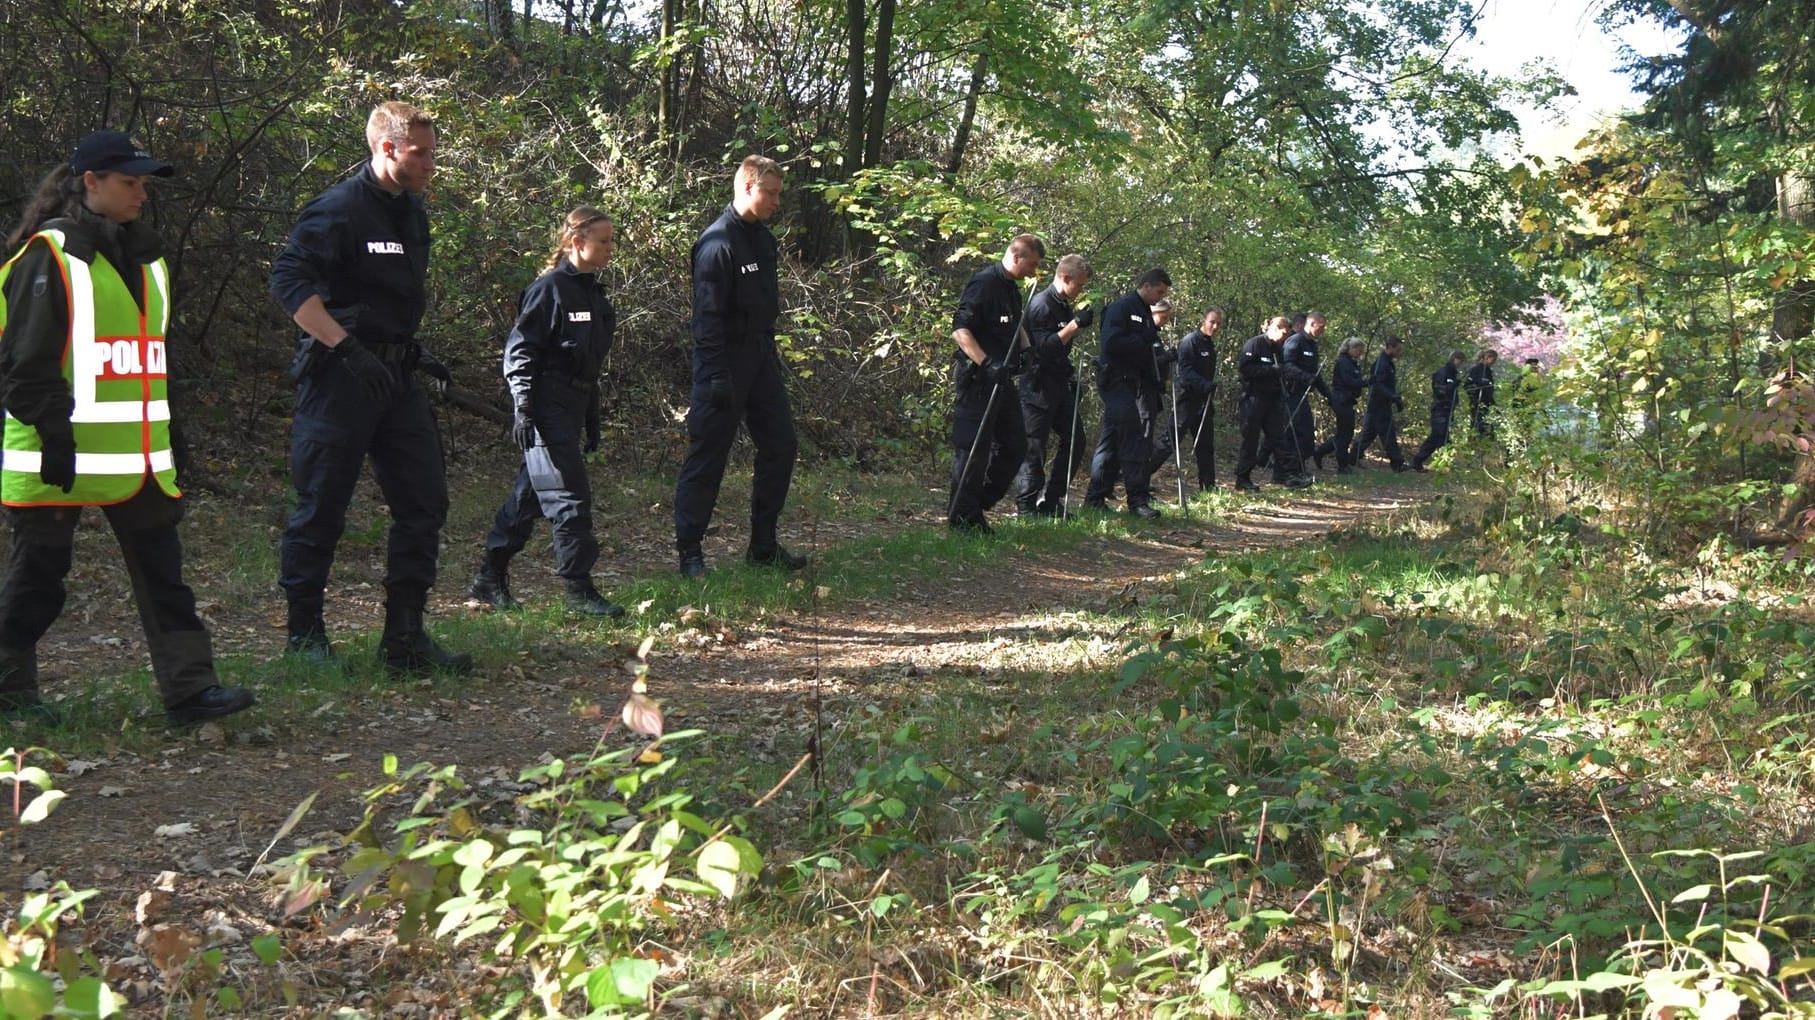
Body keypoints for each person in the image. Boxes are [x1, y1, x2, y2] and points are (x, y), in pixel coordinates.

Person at [0, 130, 255, 724]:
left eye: (144, 183)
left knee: (166, 580)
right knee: (39, 582)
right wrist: (54, 435)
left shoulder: (150, 259)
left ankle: (191, 694)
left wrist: (174, 440)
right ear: (91, 183)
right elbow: (24, 362)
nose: (141, 194)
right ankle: (9, 695)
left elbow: (150, 363)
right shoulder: (48, 256)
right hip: (52, 454)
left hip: (136, 459)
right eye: (129, 182)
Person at [270, 101, 471, 674]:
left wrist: (406, 349)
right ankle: (305, 637)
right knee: (322, 506)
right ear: (387, 149)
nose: (432, 162)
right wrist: (346, 346)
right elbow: (288, 280)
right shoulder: (338, 209)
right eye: (421, 153)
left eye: (432, 151)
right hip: (339, 379)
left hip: (395, 379)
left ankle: (404, 640)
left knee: (424, 503)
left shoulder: (412, 211)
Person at [469, 208, 622, 618]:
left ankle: (489, 576)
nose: (610, 249)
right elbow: (520, 351)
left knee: (530, 495)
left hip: (571, 407)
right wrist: (523, 406)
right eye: (603, 241)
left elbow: (586, 362)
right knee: (569, 494)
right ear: (577, 242)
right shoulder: (549, 289)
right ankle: (578, 588)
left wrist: (591, 415)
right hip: (544, 405)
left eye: (611, 241)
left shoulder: (593, 293)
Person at [673, 155, 805, 578]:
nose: (776, 202)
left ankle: (763, 545)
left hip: (760, 357)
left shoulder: (763, 239)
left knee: (781, 445)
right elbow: (706, 320)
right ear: (748, 187)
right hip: (721, 362)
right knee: (709, 456)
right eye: (770, 193)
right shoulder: (717, 244)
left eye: (779, 194)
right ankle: (690, 552)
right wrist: (715, 376)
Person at [949, 234, 1042, 532]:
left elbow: (1016, 325)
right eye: (1033, 264)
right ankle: (962, 518)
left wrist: (1027, 351)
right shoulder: (984, 283)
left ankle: (978, 504)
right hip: (978, 380)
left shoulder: (1011, 289)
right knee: (972, 450)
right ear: (1017, 256)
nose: (1034, 271)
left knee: (1016, 445)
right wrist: (986, 363)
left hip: (1003, 383)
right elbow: (960, 329)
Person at [1082, 268, 1172, 518]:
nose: (1159, 297)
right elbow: (1111, 344)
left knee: (1110, 441)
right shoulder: (1121, 308)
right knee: (1133, 437)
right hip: (1114, 379)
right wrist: (1143, 340)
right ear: (1145, 285)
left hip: (1134, 383)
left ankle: (1094, 498)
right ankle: (1137, 501)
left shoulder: (1144, 312)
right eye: (1158, 292)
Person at [1014, 253, 1092, 517]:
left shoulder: (1063, 304)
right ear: (1066, 277)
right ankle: (1026, 505)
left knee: (1075, 440)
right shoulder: (1041, 304)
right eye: (1079, 285)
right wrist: (1074, 326)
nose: (1080, 290)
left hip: (1059, 384)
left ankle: (1052, 499)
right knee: (1035, 445)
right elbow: (1041, 349)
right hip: (1037, 386)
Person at [1232, 316, 1309, 491]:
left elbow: (1282, 369)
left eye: (1287, 334)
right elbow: (1245, 369)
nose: (1284, 337)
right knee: (1250, 440)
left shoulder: (1278, 349)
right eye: (1283, 333)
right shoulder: (1254, 344)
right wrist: (1269, 370)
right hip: (1253, 398)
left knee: (1278, 438)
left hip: (1273, 399)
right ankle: (1243, 478)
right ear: (1275, 328)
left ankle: (1289, 475)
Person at [1174, 308, 1224, 491]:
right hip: (1186, 400)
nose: (1215, 326)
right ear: (1203, 320)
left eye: (1219, 323)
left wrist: (1208, 388)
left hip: (1204, 402)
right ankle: (1143, 478)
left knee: (1206, 445)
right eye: (1212, 322)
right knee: (1171, 441)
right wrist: (1203, 384)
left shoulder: (1209, 344)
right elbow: (1184, 371)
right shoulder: (1190, 341)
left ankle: (1208, 486)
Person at [1282, 311, 1333, 471]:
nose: (1323, 331)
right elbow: (1286, 366)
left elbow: (1316, 375)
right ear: (1312, 324)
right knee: (1294, 433)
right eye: (1321, 327)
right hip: (1290, 393)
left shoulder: (1312, 345)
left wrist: (1329, 395)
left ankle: (1298, 468)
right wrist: (1305, 377)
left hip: (1303, 395)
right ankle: (1288, 470)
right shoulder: (1295, 341)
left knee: (1307, 435)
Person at [1351, 336, 1407, 470]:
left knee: (1369, 434)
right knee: (1388, 433)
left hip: (1383, 403)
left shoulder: (1388, 362)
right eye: (1398, 350)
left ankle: (1352, 457)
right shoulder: (1381, 363)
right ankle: (1397, 463)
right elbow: (1378, 385)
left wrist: (1395, 398)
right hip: (1378, 404)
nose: (1399, 353)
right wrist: (1393, 396)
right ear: (1390, 347)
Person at [1410, 348, 1468, 471]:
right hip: (1440, 410)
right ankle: (1439, 463)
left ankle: (1421, 461)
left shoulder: (1453, 374)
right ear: (1454, 359)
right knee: (1441, 437)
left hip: (1447, 410)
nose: (1461, 364)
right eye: (1460, 361)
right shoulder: (1443, 372)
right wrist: (1451, 386)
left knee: (1438, 437)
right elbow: (1439, 390)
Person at [1315, 338, 1366, 474]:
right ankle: (1342, 465)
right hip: (1340, 400)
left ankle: (1320, 452)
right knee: (1345, 433)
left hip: (1347, 400)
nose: (1360, 352)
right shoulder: (1344, 362)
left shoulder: (1352, 363)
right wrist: (1366, 382)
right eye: (1357, 349)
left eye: (1361, 349)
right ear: (1349, 349)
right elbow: (1349, 381)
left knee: (1344, 433)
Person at [1466, 347, 1498, 436]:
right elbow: (1468, 385)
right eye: (1493, 359)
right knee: (1477, 423)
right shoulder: (1476, 369)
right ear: (1487, 358)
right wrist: (1478, 386)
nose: (1494, 362)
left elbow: (1490, 388)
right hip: (1477, 402)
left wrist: (1492, 402)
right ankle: (1474, 440)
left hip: (1486, 403)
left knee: (1487, 423)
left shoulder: (1488, 371)